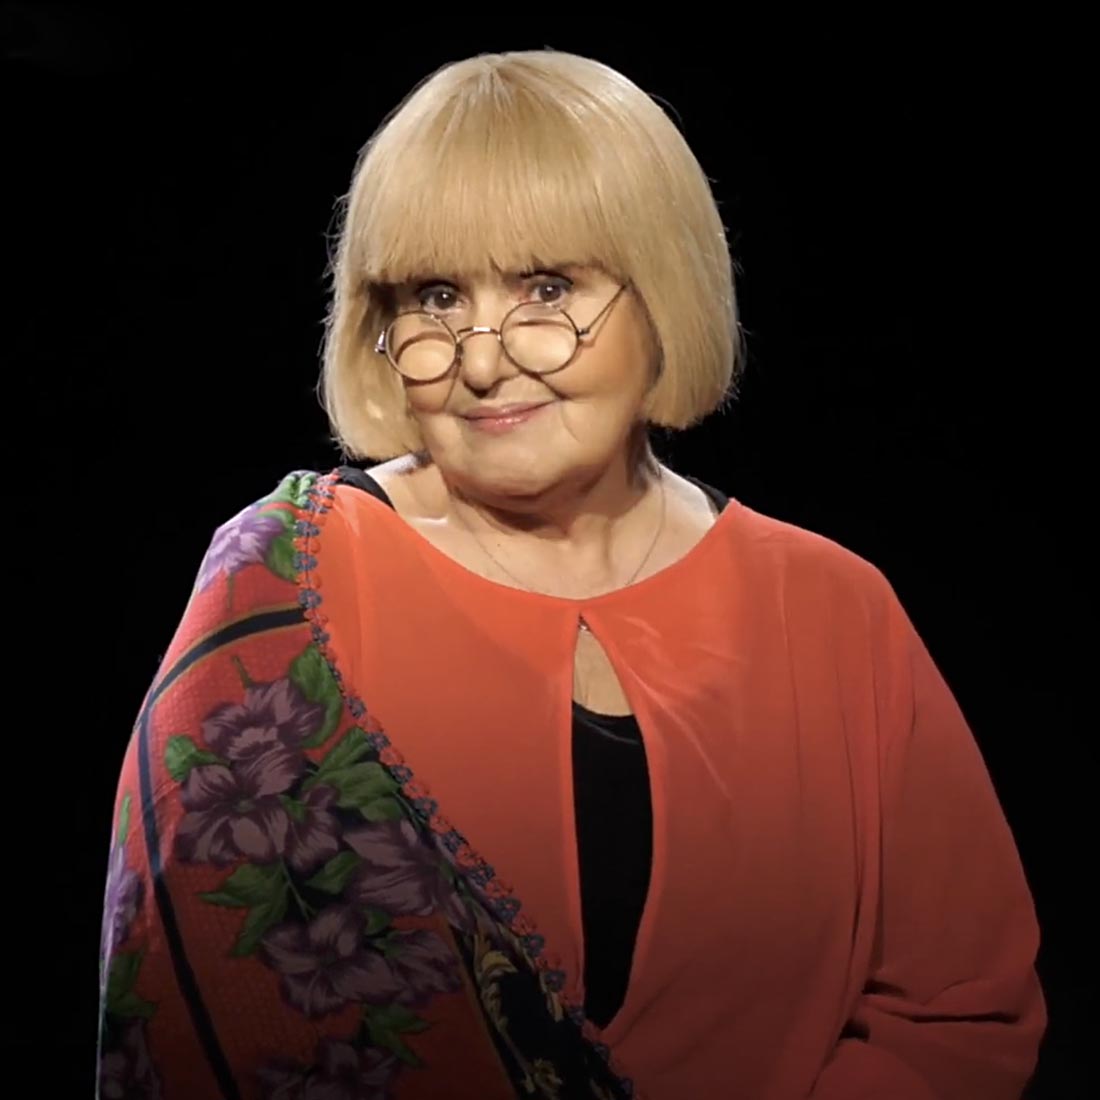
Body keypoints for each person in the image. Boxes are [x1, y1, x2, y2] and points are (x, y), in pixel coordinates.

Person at [95, 49, 1045, 1100]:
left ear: (662, 291)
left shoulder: (831, 608)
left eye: (547, 287)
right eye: (436, 296)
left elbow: (957, 1012)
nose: (483, 358)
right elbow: (182, 1012)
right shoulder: (291, 579)